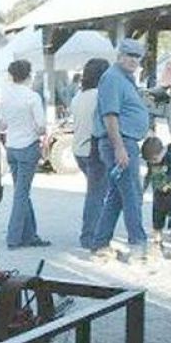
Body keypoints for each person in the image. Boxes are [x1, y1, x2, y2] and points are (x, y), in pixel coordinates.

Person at [90, 39, 150, 263]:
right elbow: (110, 116)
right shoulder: (113, 78)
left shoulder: (122, 78)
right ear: (119, 56)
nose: (134, 60)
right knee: (132, 194)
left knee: (117, 196)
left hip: (123, 141)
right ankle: (138, 245)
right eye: (129, 55)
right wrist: (119, 148)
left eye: (137, 57)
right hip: (120, 142)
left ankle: (100, 244)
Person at [0, 59, 50, 249]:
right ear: (28, 75)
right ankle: (13, 238)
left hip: (12, 146)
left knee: (21, 192)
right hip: (28, 146)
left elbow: (2, 124)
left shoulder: (5, 96)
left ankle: (30, 235)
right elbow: (41, 126)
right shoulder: (32, 97)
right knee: (22, 194)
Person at [70, 58, 110, 249]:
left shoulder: (78, 96)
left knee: (96, 192)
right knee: (96, 195)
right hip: (94, 151)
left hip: (79, 150)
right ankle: (90, 236)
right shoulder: (100, 96)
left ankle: (95, 232)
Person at [141, 135, 171, 259]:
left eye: (154, 159)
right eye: (150, 161)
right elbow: (148, 176)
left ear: (162, 152)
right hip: (157, 194)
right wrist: (143, 190)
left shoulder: (169, 158)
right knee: (157, 218)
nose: (153, 162)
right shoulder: (151, 162)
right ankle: (157, 241)